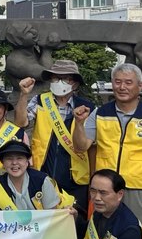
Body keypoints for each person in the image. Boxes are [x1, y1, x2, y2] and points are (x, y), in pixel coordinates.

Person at [75, 63, 142, 232]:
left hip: (141, 188)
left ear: (140, 86)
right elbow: (81, 146)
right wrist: (79, 124)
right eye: (117, 82)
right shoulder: (99, 114)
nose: (122, 87)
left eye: (128, 82)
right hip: (106, 188)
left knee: (140, 237)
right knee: (104, 236)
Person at [21, 58, 94, 217]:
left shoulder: (87, 107)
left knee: (76, 224)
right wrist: (23, 95)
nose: (59, 82)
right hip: (44, 173)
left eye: (65, 78)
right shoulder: (40, 100)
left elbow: (89, 146)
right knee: (45, 222)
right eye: (55, 78)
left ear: (74, 84)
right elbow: (21, 122)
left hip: (76, 179)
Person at [0, 141, 75, 214]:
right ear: (2, 163)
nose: (14, 163)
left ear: (27, 161)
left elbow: (52, 215)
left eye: (19, 158)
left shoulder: (42, 180)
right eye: (9, 159)